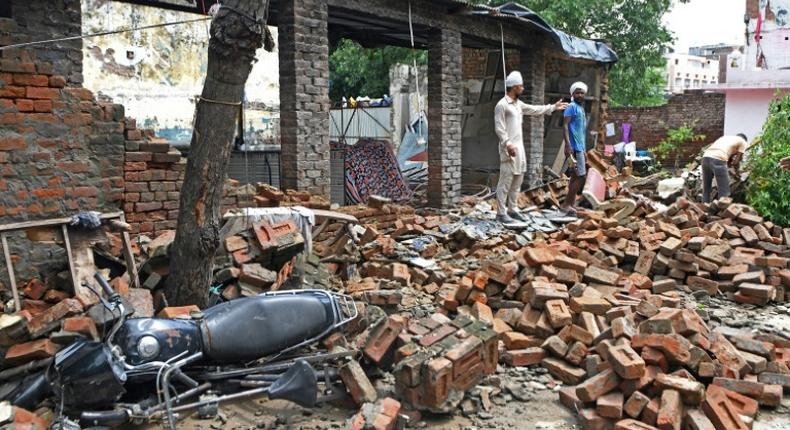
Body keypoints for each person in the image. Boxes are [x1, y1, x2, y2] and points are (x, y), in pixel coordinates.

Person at [494, 71, 568, 223]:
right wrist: (507, 143)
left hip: (519, 149)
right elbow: (499, 128)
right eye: (520, 86)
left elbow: (535, 110)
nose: (522, 88)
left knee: (517, 180)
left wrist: (553, 107)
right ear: (514, 87)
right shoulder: (501, 105)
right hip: (508, 149)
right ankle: (501, 213)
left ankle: (512, 209)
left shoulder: (518, 104)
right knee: (505, 181)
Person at [561, 82, 588, 214]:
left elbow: (581, 132)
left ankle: (571, 204)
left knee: (575, 176)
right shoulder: (571, 107)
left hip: (580, 148)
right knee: (581, 176)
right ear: (572, 94)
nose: (580, 95)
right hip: (573, 147)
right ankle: (566, 204)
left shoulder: (581, 109)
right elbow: (565, 126)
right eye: (577, 92)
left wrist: (584, 150)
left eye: (582, 93)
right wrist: (567, 145)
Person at [701, 134, 748, 203]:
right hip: (718, 158)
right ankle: (724, 211)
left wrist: (729, 167)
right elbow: (736, 162)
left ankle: (704, 208)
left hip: (705, 158)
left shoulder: (726, 138)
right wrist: (737, 173)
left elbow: (729, 160)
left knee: (706, 188)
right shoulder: (743, 142)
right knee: (724, 190)